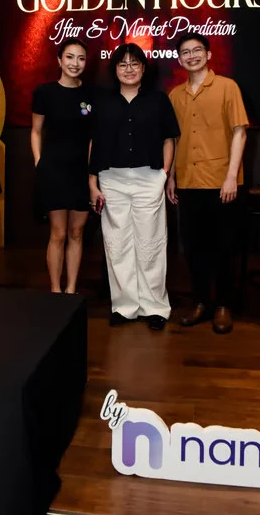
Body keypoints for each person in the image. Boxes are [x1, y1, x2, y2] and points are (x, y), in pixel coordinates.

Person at [89, 43, 180, 331]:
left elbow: (169, 139)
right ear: (114, 69)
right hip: (112, 179)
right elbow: (94, 143)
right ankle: (124, 306)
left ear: (143, 68)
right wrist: (92, 182)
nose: (129, 69)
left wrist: (164, 174)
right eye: (122, 64)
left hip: (148, 177)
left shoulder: (158, 100)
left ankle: (155, 307)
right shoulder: (103, 102)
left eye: (134, 63)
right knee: (117, 245)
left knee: (150, 243)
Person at [167, 34, 248, 334]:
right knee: (193, 247)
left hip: (220, 181)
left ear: (208, 54)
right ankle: (201, 301)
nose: (191, 56)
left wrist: (231, 176)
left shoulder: (228, 87)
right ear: (179, 59)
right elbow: (174, 139)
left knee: (224, 246)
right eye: (185, 52)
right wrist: (171, 177)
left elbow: (239, 132)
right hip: (188, 181)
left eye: (197, 50)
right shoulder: (175, 95)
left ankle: (223, 305)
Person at [31, 38, 92, 294]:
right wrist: (39, 163)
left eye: (80, 58)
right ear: (59, 60)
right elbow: (36, 131)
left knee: (77, 233)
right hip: (54, 171)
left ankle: (71, 289)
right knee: (58, 233)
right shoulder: (44, 93)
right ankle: (55, 291)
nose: (75, 63)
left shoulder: (91, 95)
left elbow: (93, 137)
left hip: (81, 173)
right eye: (69, 57)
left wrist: (92, 173)